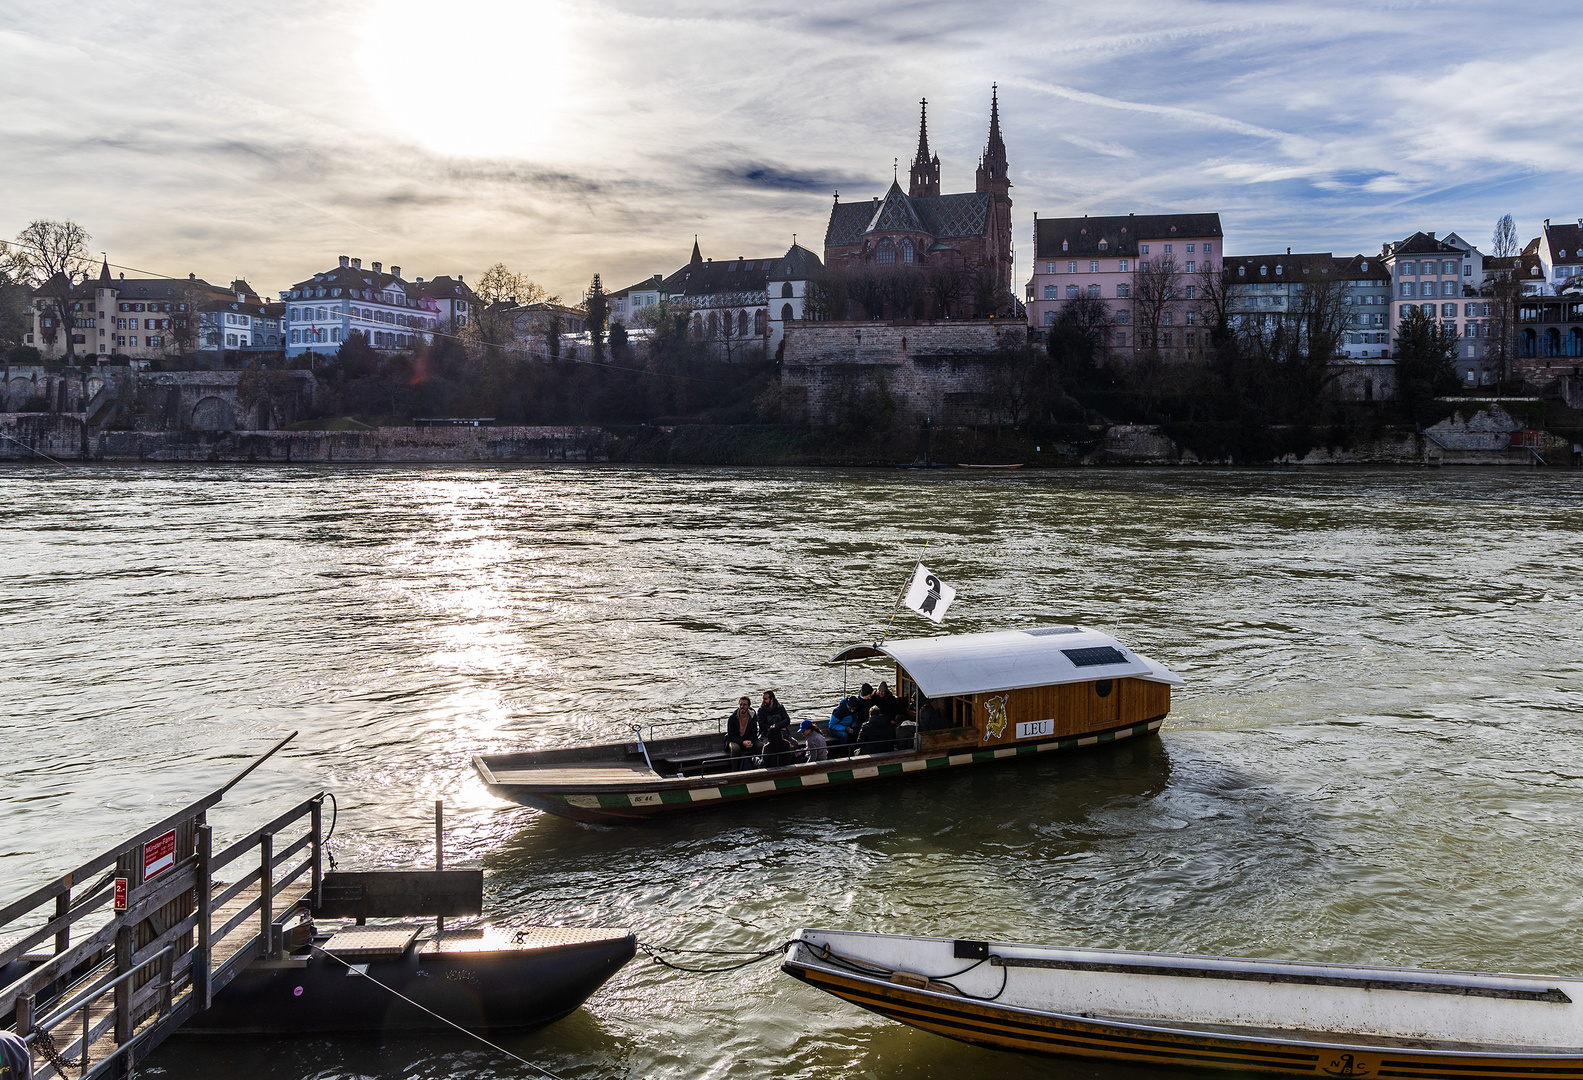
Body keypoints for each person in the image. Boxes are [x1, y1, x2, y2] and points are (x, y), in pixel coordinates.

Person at [757, 691, 794, 767]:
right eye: (763, 699)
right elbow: (762, 725)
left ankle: (790, 762)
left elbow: (787, 720)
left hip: (782, 734)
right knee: (767, 747)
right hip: (766, 735)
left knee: (794, 743)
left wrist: (777, 726)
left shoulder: (780, 707)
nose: (763, 700)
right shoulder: (761, 710)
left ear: (772, 699)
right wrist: (773, 728)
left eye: (765, 699)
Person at [725, 695, 759, 769]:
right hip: (735, 740)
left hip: (748, 739)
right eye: (740, 704)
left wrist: (750, 741)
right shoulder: (733, 718)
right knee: (735, 749)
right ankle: (735, 770)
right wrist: (742, 742)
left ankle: (760, 767)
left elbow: (754, 732)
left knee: (761, 745)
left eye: (744, 705)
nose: (742, 707)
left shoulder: (752, 717)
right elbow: (731, 735)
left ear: (749, 706)